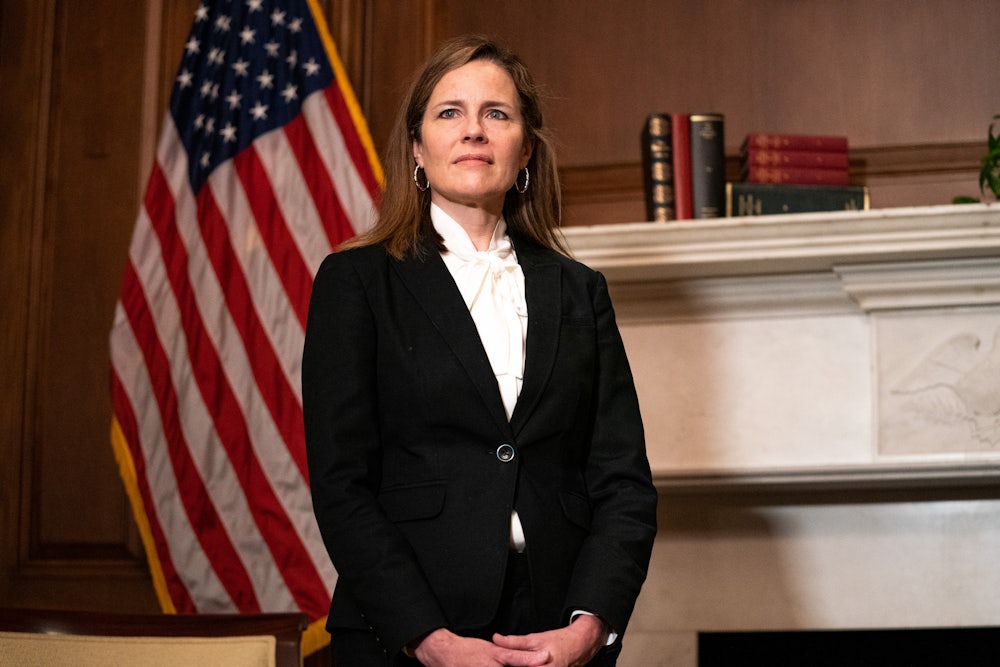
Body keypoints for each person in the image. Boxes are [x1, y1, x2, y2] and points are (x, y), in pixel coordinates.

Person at [303, 34, 658, 666]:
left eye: (496, 113)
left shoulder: (580, 291)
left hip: (553, 634)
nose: (474, 131)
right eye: (449, 113)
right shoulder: (355, 282)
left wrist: (587, 629)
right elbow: (341, 487)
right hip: (405, 635)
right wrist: (429, 642)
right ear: (417, 149)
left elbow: (624, 486)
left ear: (524, 150)